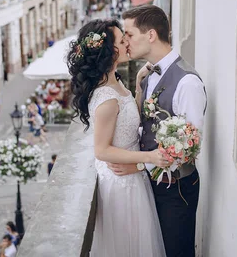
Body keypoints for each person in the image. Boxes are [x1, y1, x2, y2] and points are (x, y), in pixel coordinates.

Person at [108, 5, 207, 257]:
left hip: (177, 189)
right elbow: (147, 127)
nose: (125, 42)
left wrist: (140, 166)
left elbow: (189, 148)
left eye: (129, 34)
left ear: (150, 35)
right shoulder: (148, 75)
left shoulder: (188, 83)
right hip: (150, 185)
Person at [66, 19, 170, 256]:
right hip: (120, 184)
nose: (127, 42)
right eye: (122, 40)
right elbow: (102, 151)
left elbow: (126, 120)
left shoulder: (116, 83)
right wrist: (149, 157)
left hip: (133, 177)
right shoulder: (106, 98)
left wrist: (139, 88)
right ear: (108, 52)